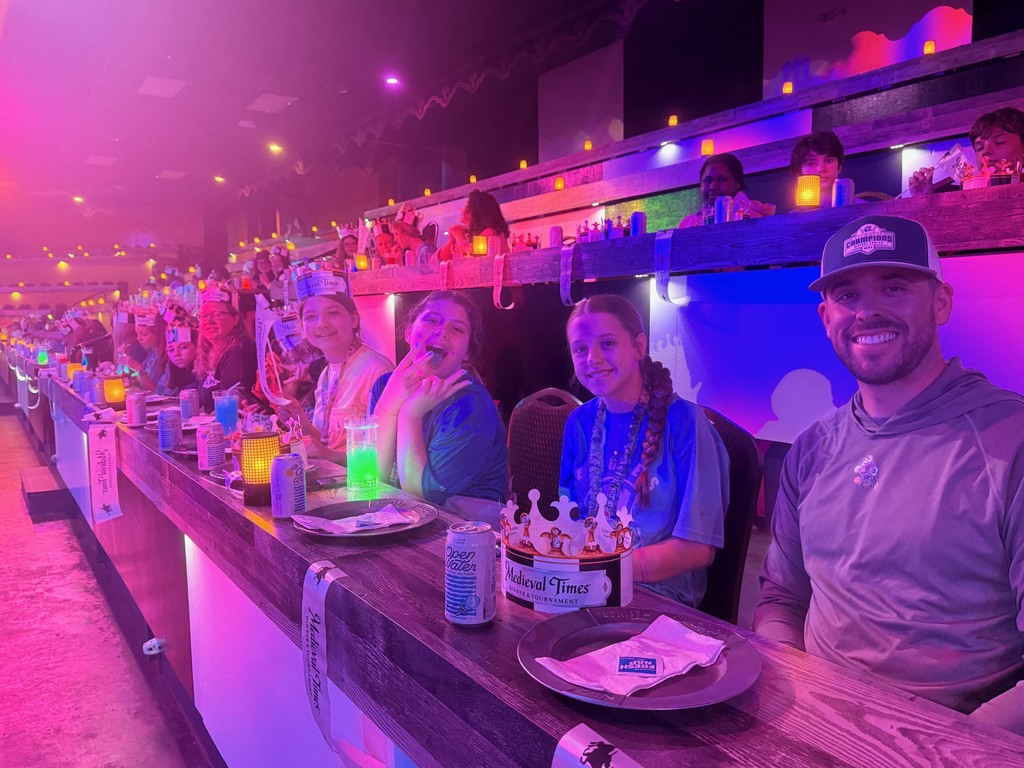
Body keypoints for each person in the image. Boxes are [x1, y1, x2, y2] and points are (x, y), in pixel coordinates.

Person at [753, 215, 1024, 736]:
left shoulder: (1010, 440)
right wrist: (794, 701)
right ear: (825, 317)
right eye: (847, 294)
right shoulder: (810, 448)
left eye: (894, 287)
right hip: (816, 720)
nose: (867, 311)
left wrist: (944, 749)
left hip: (957, 740)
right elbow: (781, 600)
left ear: (941, 302)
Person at [558, 295, 729, 607]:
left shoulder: (685, 423)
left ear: (638, 346)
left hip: (657, 598)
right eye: (580, 349)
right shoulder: (579, 422)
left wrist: (600, 567)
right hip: (586, 586)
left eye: (607, 344)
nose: (592, 358)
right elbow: (570, 520)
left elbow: (697, 548)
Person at [370, 291, 508, 513]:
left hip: (464, 536)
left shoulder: (469, 405)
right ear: (408, 332)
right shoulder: (384, 386)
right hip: (398, 522)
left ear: (467, 353)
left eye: (457, 328)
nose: (441, 331)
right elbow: (371, 478)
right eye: (432, 320)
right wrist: (389, 401)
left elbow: (422, 499)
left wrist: (409, 414)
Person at [276, 291, 392, 464]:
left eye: (333, 313)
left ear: (354, 319)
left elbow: (387, 458)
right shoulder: (325, 373)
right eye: (311, 316)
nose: (321, 324)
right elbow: (327, 441)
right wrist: (299, 417)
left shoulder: (377, 371)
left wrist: (329, 455)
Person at [908, 106, 1024, 195]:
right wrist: (924, 199)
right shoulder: (957, 195)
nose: (986, 151)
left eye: (999, 142)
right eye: (980, 147)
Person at [194, 284, 257, 412]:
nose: (209, 321)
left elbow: (233, 407)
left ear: (235, 319)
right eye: (204, 316)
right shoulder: (208, 352)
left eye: (217, 314)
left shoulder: (240, 351)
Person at [678, 153, 774, 228]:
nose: (712, 186)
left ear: (737, 182)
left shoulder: (754, 218)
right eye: (707, 181)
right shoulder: (688, 223)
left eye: (721, 180)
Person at [436, 189, 511, 260]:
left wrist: (459, 237)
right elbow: (436, 262)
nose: (462, 210)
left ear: (477, 212)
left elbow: (469, 264)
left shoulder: (490, 234)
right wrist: (453, 239)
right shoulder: (472, 236)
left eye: (467, 206)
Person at [790, 131, 846, 207]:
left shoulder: (863, 209)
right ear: (799, 170)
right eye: (811, 163)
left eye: (828, 161)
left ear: (839, 167)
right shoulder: (791, 218)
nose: (821, 169)